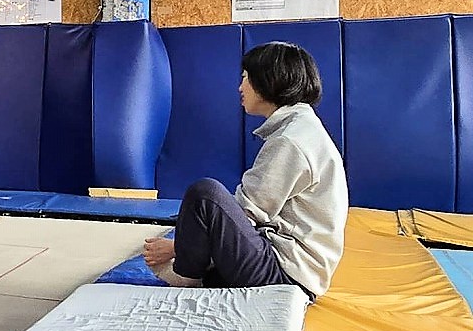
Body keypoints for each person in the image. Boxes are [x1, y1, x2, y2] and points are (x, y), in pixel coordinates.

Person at [142, 41, 348, 301]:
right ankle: (202, 271)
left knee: (205, 195)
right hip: (292, 267)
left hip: (288, 275)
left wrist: (179, 248)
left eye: (245, 78)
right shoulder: (301, 128)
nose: (241, 87)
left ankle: (185, 277)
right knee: (211, 217)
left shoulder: (291, 140)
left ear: (268, 80)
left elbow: (247, 213)